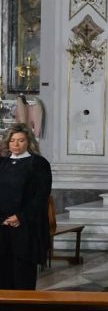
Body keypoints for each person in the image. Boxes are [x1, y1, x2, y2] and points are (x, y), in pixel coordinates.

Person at [0, 123, 52, 290]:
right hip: (2, 225)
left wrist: (21, 217)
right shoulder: (2, 163)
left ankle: (24, 309)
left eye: (20, 140)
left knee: (23, 272)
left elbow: (41, 196)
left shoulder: (39, 163)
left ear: (28, 142)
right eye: (12, 140)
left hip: (26, 226)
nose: (15, 144)